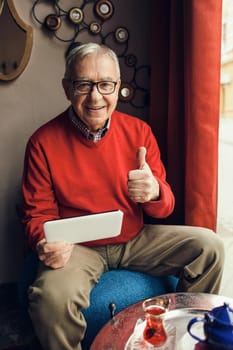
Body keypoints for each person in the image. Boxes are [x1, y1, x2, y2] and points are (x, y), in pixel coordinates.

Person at [21, 42, 225, 350]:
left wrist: (155, 191)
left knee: (210, 247)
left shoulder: (139, 132)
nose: (95, 96)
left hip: (135, 237)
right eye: (83, 84)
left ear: (118, 87)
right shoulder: (42, 142)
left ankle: (183, 336)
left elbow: (165, 206)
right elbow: (36, 215)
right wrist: (43, 241)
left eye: (105, 85)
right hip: (79, 247)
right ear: (66, 88)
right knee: (50, 300)